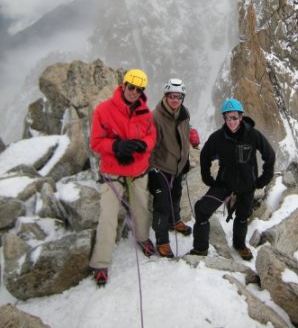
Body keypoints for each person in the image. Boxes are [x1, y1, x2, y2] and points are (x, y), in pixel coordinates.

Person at [89, 68, 157, 286]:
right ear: (123, 85)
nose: (134, 92)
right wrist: (117, 146)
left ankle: (143, 238)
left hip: (137, 168)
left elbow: (151, 137)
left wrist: (142, 146)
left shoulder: (145, 113)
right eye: (131, 87)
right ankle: (101, 263)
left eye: (139, 90)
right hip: (112, 171)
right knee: (108, 215)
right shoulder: (104, 110)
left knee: (141, 207)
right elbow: (96, 142)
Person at [190, 98, 275, 260]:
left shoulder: (253, 135)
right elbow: (205, 155)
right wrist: (207, 177)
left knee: (242, 217)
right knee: (202, 209)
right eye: (228, 118)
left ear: (241, 117)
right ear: (224, 118)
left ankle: (240, 245)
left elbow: (269, 156)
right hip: (224, 183)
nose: (231, 122)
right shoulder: (218, 137)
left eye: (235, 117)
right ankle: (200, 249)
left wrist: (263, 179)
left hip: (247, 185)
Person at [149, 78, 200, 258]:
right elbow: (150, 145)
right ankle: (162, 241)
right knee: (161, 204)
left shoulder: (183, 114)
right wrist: (152, 169)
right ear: (166, 96)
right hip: (161, 168)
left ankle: (174, 221)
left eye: (179, 97)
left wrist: (190, 139)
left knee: (176, 194)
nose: (175, 100)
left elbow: (183, 133)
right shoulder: (155, 117)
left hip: (178, 165)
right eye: (172, 96)